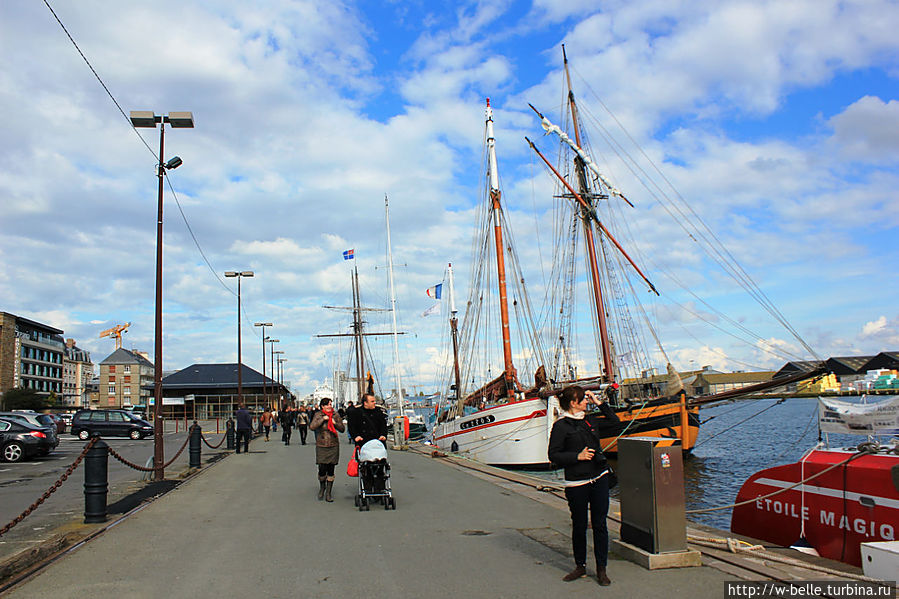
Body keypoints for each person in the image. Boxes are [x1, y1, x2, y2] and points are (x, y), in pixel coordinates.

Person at [548, 385, 620, 586]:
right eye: (584, 399)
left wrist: (600, 402)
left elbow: (616, 423)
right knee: (579, 525)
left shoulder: (591, 421)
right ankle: (580, 566)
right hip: (577, 482)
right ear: (573, 403)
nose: (587, 402)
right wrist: (576, 457)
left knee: (600, 524)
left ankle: (601, 569)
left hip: (599, 477)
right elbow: (553, 455)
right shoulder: (561, 427)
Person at [309, 398, 345, 502]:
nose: (330, 406)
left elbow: (342, 429)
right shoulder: (318, 415)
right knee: (322, 469)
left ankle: (328, 493)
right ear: (322, 406)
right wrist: (323, 419)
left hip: (333, 445)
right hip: (322, 445)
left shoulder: (336, 415)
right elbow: (312, 427)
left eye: (330, 404)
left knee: (331, 469)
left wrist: (335, 423)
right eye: (327, 405)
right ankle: (322, 487)